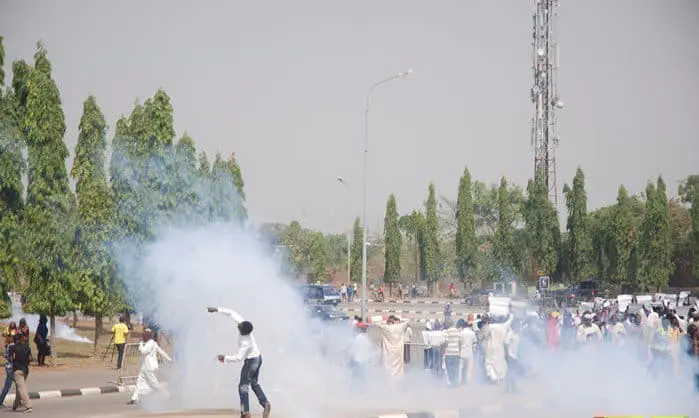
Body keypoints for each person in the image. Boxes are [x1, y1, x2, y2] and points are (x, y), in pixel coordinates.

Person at [208, 306, 271, 418]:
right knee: (254, 383)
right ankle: (265, 403)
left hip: (252, 361)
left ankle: (245, 413)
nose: (238, 325)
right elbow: (231, 313)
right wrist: (217, 309)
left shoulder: (246, 342)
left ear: (244, 331)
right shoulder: (243, 324)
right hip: (258, 358)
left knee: (243, 386)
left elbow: (239, 357)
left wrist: (224, 358)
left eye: (240, 327)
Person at [127, 329, 171, 405]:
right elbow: (161, 351)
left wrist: (140, 343)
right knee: (139, 382)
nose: (143, 336)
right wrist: (169, 359)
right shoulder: (151, 343)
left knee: (154, 383)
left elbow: (144, 351)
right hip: (144, 367)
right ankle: (134, 398)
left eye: (144, 334)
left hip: (149, 367)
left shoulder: (150, 343)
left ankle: (165, 394)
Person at [9, 332, 32, 412]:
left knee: (21, 388)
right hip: (25, 370)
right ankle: (15, 405)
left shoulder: (12, 347)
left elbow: (11, 359)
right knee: (19, 388)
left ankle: (28, 406)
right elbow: (30, 358)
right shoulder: (27, 347)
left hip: (17, 370)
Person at [0, 331, 15, 407]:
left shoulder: (8, 346)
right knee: (8, 386)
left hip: (9, 367)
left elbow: (6, 355)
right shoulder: (12, 346)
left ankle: (20, 401)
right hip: (12, 368)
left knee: (19, 385)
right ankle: (0, 401)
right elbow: (11, 358)